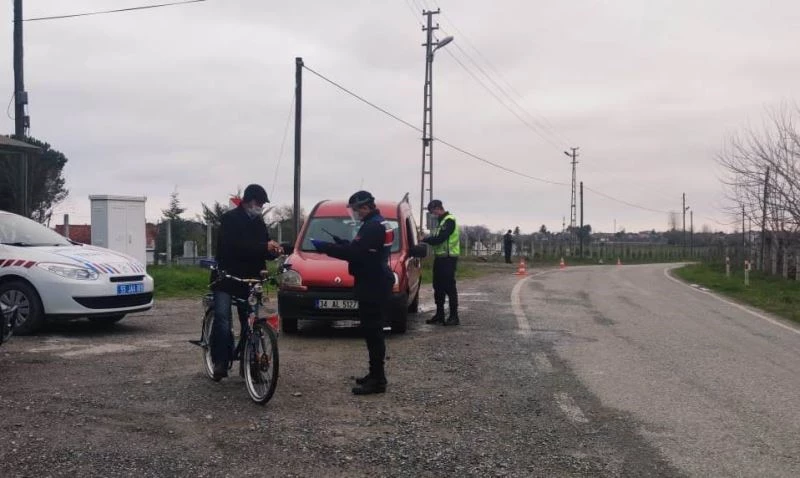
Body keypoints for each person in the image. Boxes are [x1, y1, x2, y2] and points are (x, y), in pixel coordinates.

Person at [310, 191, 394, 395]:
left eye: (356, 210)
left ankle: (378, 380)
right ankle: (375, 374)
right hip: (376, 280)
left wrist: (326, 247)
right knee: (372, 332)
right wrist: (344, 243)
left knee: (373, 333)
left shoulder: (372, 226)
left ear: (365, 207)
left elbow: (356, 254)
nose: (355, 214)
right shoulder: (379, 222)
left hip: (373, 283)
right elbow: (363, 249)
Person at [210, 184, 282, 381]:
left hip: (249, 279)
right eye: (259, 203)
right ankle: (220, 361)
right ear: (249, 201)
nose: (260, 207)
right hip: (227, 277)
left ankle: (250, 365)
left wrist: (274, 251)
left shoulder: (258, 222)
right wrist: (264, 246)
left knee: (250, 320)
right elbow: (234, 248)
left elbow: (262, 249)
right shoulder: (229, 219)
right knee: (223, 319)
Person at [421, 199, 460, 326]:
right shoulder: (441, 222)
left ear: (438, 208)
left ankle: (454, 316)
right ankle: (440, 315)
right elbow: (437, 238)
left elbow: (440, 238)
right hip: (440, 258)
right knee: (437, 286)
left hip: (448, 258)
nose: (433, 214)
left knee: (449, 287)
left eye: (433, 212)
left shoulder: (449, 220)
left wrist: (425, 239)